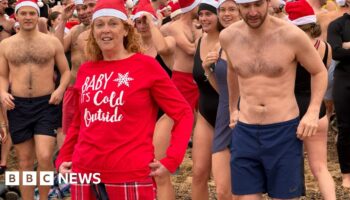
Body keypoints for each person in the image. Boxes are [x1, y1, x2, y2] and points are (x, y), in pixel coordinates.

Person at [55, 0, 194, 199]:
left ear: (126, 29)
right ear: (93, 31)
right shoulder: (86, 70)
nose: (106, 30)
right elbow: (79, 121)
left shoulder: (146, 66)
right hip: (85, 171)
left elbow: (183, 113)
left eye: (113, 23)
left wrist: (171, 160)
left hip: (130, 174)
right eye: (100, 24)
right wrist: (64, 157)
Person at [220, 0, 328, 198]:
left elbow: (319, 71)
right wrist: (233, 109)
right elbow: (232, 70)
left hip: (283, 130)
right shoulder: (228, 36)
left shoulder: (291, 35)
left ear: (268, 2)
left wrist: (313, 111)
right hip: (245, 130)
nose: (252, 12)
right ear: (237, 6)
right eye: (246, 6)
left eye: (258, 4)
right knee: (246, 196)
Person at [0, 0, 71, 199]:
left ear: (38, 15)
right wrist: (3, 93)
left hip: (47, 104)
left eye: (32, 13)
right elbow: (2, 75)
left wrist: (60, 90)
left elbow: (65, 71)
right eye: (24, 14)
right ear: (17, 16)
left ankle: (45, 196)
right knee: (24, 161)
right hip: (18, 105)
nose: (28, 17)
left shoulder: (51, 42)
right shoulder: (6, 45)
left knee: (46, 156)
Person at [285, 1, 336, 199]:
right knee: (321, 167)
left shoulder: (291, 47)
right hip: (318, 109)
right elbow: (322, 74)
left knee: (289, 168)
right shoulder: (325, 47)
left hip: (291, 109)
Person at [133, 1, 176, 199]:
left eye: (145, 20)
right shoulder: (130, 49)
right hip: (139, 113)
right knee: (137, 169)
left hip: (163, 112)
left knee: (159, 170)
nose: (142, 24)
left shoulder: (167, 41)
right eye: (138, 21)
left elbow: (164, 50)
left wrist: (153, 22)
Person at [206, 0, 240, 199]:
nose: (227, 14)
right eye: (223, 10)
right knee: (221, 190)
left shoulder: (251, 41)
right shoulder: (220, 44)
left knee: (244, 189)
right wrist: (207, 70)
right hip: (224, 114)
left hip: (248, 116)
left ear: (241, 11)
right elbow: (222, 90)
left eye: (232, 9)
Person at [191, 0, 221, 200]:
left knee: (224, 184)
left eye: (208, 14)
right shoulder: (200, 40)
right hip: (205, 113)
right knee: (198, 173)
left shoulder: (228, 40)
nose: (203, 18)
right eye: (201, 14)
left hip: (227, 115)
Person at [327, 1, 350, 188]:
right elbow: (336, 52)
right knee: (345, 127)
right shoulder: (337, 25)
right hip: (345, 80)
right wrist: (343, 48)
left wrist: (348, 46)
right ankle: (347, 173)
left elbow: (343, 50)